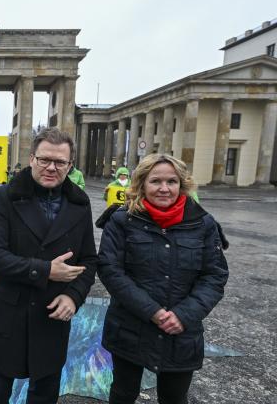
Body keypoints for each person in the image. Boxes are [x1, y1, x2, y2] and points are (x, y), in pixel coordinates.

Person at [96, 153, 228, 404]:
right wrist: (153, 311)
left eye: (172, 181)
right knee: (123, 393)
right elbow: (110, 270)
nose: (164, 188)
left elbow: (214, 274)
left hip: (181, 330)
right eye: (156, 181)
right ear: (142, 184)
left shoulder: (204, 224)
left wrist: (184, 314)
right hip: (130, 326)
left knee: (174, 397)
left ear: (182, 184)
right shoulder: (122, 220)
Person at [0, 127, 98, 403]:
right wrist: (45, 270)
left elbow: (89, 259)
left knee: (44, 393)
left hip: (52, 314)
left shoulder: (80, 203)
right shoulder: (4, 197)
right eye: (44, 159)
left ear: (70, 165)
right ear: (32, 158)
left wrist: (73, 295)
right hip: (8, 313)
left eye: (60, 162)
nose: (51, 168)